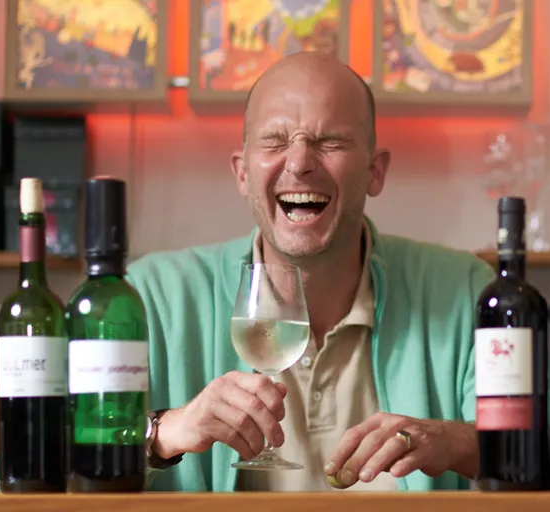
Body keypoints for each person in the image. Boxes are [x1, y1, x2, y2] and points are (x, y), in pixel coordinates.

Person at [128, 51, 495, 492]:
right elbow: (47, 451)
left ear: (375, 172)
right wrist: (164, 432)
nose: (300, 163)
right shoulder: (149, 296)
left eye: (330, 141)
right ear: (243, 174)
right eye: (275, 141)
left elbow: (542, 455)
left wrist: (456, 441)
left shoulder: (469, 292)